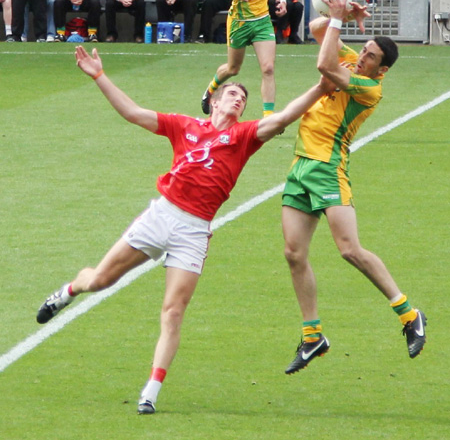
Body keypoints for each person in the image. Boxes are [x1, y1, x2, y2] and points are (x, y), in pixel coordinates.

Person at [36, 44, 331, 415]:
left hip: (194, 231)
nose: (239, 100)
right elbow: (132, 113)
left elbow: (284, 116)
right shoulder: (184, 126)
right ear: (215, 101)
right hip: (162, 215)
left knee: (173, 311)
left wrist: (322, 87)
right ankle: (68, 290)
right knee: (98, 281)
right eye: (233, 94)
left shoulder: (243, 137)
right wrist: (98, 75)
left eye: (243, 98)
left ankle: (151, 391)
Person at [282, 0, 427, 374]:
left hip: (329, 169)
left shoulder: (369, 88)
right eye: (363, 50)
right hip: (300, 167)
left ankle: (409, 314)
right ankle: (313, 337)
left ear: (382, 70)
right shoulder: (351, 61)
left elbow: (324, 63)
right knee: (294, 254)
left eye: (371, 57)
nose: (362, 57)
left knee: (349, 249)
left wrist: (338, 20)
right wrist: (341, 13)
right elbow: (315, 27)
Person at [201, 0, 287, 117]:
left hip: (262, 21)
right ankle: (211, 89)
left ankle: (268, 118)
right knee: (233, 69)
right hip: (239, 21)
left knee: (268, 68)